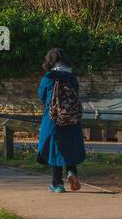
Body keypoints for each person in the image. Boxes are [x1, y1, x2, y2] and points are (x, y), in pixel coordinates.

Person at [36, 47, 86, 192]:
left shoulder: (48, 78)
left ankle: (57, 184)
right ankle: (71, 172)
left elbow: (42, 97)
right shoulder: (72, 77)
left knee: (54, 149)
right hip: (72, 119)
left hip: (53, 120)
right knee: (69, 146)